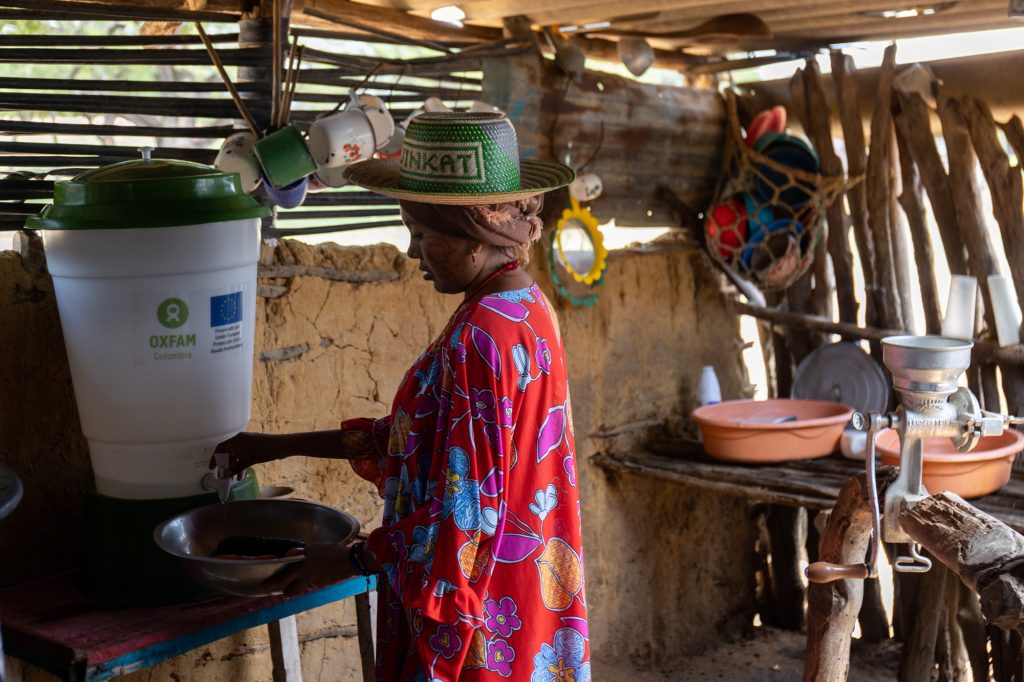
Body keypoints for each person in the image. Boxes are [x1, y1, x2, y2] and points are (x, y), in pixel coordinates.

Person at [214, 112, 589, 681]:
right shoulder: (527, 309)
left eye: (422, 235)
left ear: (474, 235)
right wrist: (273, 446)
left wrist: (347, 559)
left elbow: (465, 513)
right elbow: (420, 439)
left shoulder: (480, 336)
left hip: (485, 615)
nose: (412, 254)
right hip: (528, 588)